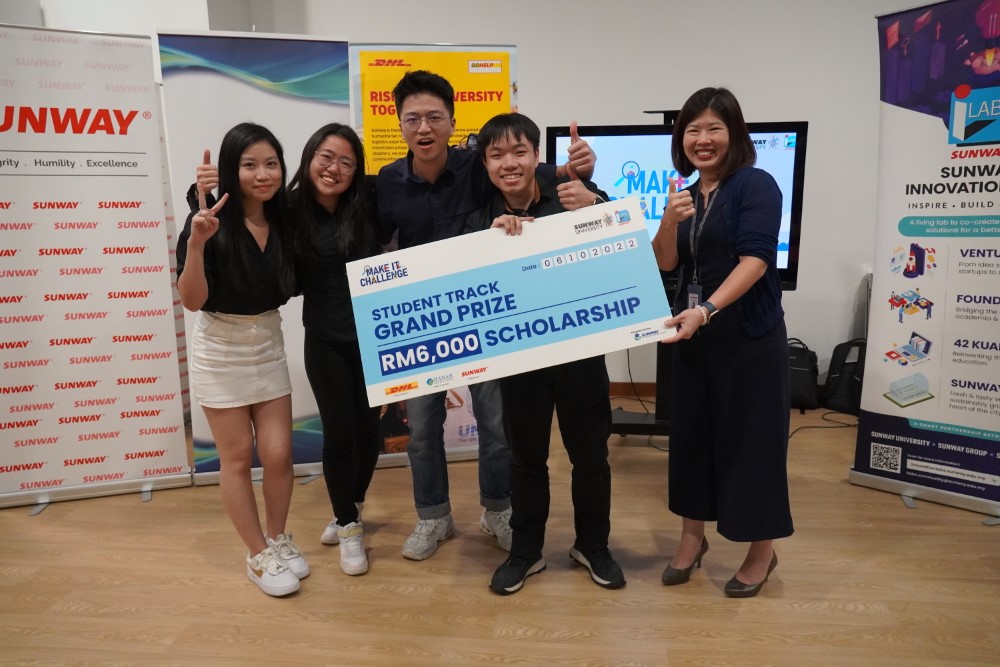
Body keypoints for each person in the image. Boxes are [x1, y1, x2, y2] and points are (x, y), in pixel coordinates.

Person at [376, 70, 599, 561]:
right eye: (412, 118)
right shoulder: (388, 182)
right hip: (421, 317)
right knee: (421, 428)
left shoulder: (477, 164)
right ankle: (433, 516)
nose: (424, 126)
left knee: (496, 422)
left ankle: (497, 508)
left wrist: (576, 170)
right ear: (399, 123)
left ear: (453, 122)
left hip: (484, 311)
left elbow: (523, 171)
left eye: (435, 116)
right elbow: (371, 242)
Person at [195, 124, 383, 577]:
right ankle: (348, 523)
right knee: (339, 433)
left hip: (378, 335)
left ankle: (349, 504)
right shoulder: (290, 208)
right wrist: (202, 188)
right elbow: (238, 208)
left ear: (357, 170)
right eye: (325, 156)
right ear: (307, 158)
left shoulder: (371, 202)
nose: (333, 168)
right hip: (325, 338)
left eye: (345, 161)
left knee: (369, 430)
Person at [465, 112, 624, 595]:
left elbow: (622, 249)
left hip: (580, 355)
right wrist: (492, 243)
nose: (508, 163)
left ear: (538, 155)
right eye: (496, 155)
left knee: (590, 457)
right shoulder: (481, 217)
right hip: (522, 363)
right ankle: (526, 552)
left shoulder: (573, 195)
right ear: (487, 165)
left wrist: (594, 205)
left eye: (519, 152)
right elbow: (474, 287)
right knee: (526, 460)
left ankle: (593, 546)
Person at [651, 87, 793, 598]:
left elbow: (755, 262)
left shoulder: (755, 185)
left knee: (752, 444)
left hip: (746, 339)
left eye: (714, 128)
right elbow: (666, 263)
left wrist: (708, 308)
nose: (702, 139)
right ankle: (692, 540)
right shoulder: (688, 192)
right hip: (693, 336)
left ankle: (761, 552)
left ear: (734, 134)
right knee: (690, 439)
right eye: (692, 130)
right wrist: (668, 219)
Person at [177, 122, 308, 597]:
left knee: (277, 454)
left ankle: (278, 538)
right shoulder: (207, 221)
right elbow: (192, 300)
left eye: (271, 163)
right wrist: (196, 242)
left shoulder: (287, 218)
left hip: (267, 342)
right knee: (235, 460)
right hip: (220, 346)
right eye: (249, 165)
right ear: (231, 170)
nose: (263, 174)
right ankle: (257, 555)